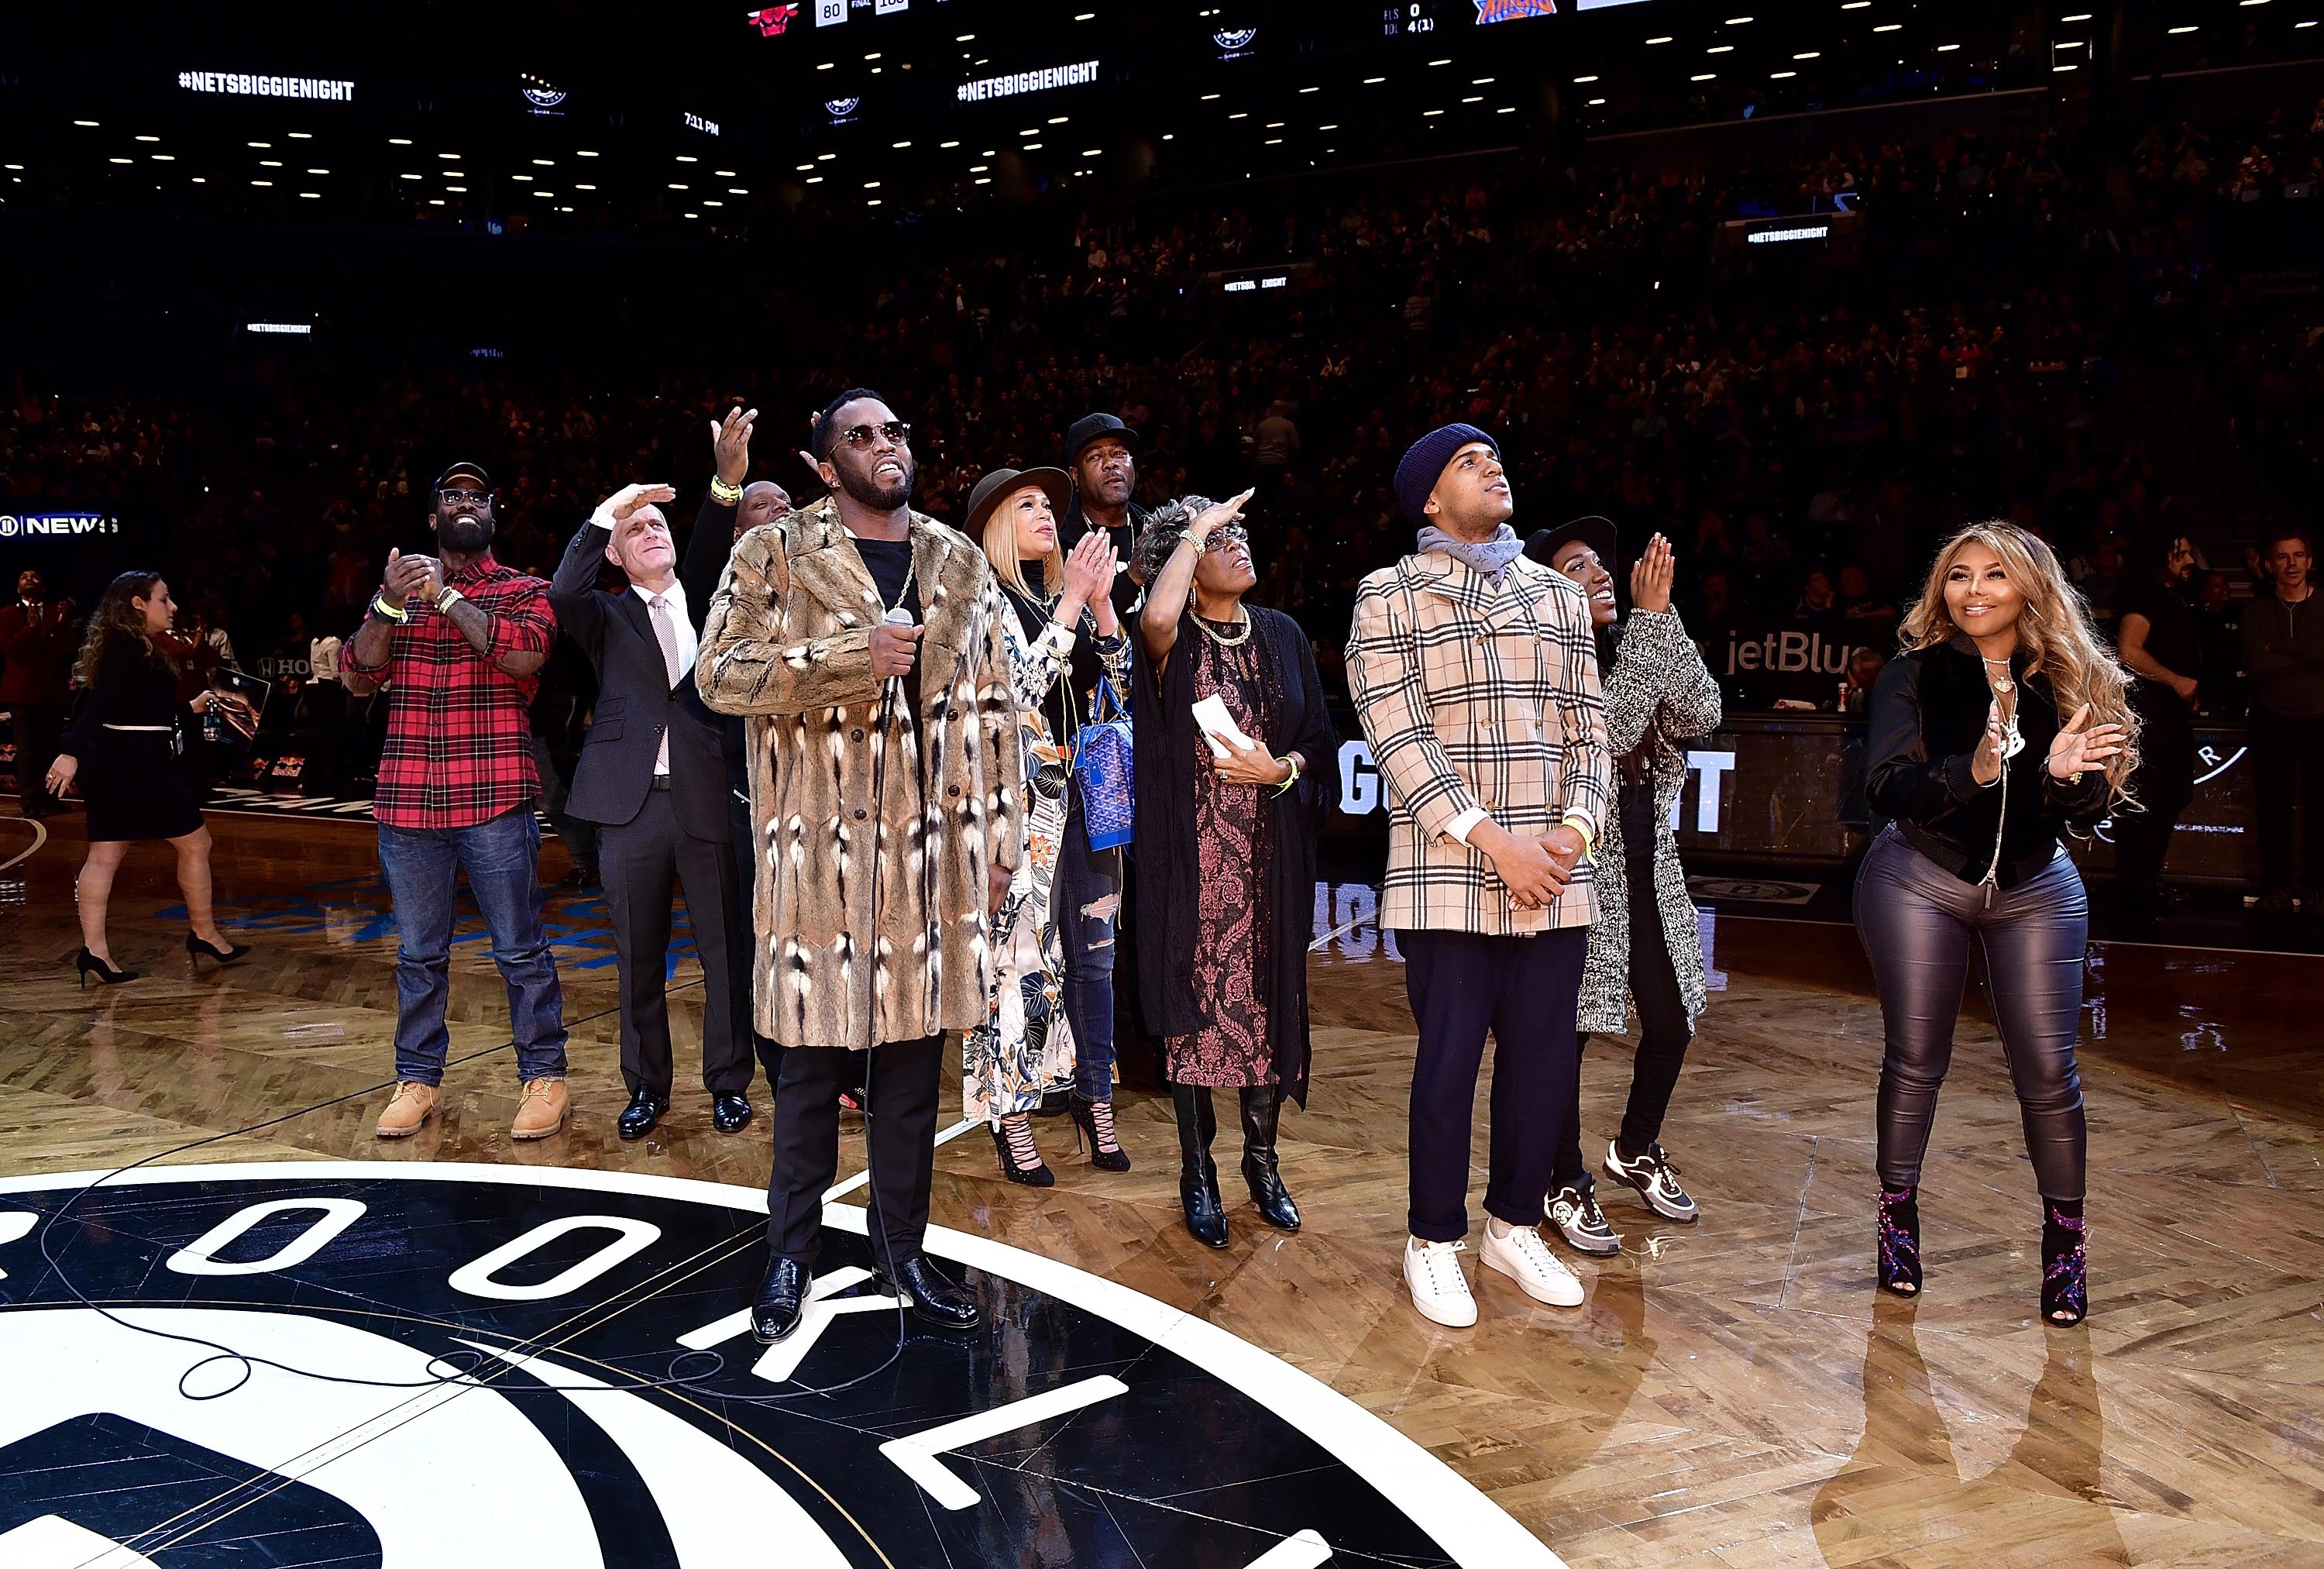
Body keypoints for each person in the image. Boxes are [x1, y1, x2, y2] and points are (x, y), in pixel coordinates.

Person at [699, 390, 1023, 1346]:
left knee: (912, 1079)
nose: (887, 446)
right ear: (822, 462)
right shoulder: (774, 551)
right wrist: (851, 657)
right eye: (862, 436)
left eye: (896, 432)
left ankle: (904, 1253)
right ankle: (789, 1255)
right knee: (804, 1077)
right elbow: (719, 674)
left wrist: (997, 846)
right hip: (815, 863)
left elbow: (994, 710)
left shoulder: (956, 559)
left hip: (930, 867)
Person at [1346, 423, 1612, 1327]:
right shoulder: (1388, 595)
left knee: (1543, 1067)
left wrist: (1571, 835)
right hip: (1449, 870)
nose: (1494, 466)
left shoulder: (1557, 597)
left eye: (1497, 455)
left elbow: (1591, 733)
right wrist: (1500, 843)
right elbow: (1399, 739)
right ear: (1428, 499)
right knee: (1448, 1065)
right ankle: (1433, 1240)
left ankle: (1513, 1225)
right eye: (1469, 462)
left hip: (1557, 873)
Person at [1857, 522, 2135, 1326]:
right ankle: (1897, 1220)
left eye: (1993, 577)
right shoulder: (1913, 675)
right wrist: (1976, 770)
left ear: (2028, 590)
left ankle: (2067, 1247)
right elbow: (1886, 787)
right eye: (1958, 576)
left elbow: (2089, 807)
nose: (1973, 591)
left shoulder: (2070, 678)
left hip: (2036, 886)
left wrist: (2066, 778)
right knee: (1916, 1060)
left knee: (2050, 1075)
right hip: (1920, 876)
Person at [341, 462, 570, 1142]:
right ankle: (417, 1079)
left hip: (494, 799)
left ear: (493, 513)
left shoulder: (523, 590)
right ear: (433, 517)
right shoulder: (397, 594)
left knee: (520, 948)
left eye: (477, 496)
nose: (464, 504)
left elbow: (522, 655)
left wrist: (443, 600)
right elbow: (357, 675)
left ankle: (546, 1074)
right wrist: (388, 603)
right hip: (408, 804)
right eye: (451, 496)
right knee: (418, 954)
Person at [1133, 487, 1338, 1249]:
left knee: (1265, 1012)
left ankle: (1262, 1161)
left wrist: (1278, 770)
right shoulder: (1167, 640)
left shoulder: (1282, 635)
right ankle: (1198, 1172)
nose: (1237, 544)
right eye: (1219, 540)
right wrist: (1196, 530)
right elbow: (1156, 615)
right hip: (1193, 872)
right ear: (1178, 566)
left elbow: (1317, 744)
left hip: (1267, 867)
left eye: (1239, 533)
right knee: (1194, 1023)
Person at [549, 416, 758, 1143]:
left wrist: (724, 481)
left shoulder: (708, 596)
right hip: (630, 807)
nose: (653, 533)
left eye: (658, 524)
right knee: (639, 954)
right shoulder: (602, 614)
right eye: (636, 530)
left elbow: (708, 537)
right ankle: (647, 1087)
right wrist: (611, 507)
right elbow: (562, 587)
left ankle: (729, 1083)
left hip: (707, 796)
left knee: (725, 949)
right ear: (616, 551)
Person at [1522, 520, 1723, 1257]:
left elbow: (1702, 714)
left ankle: (1636, 1145)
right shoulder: (1547, 661)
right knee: (1566, 1037)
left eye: (1602, 563)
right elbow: (1608, 737)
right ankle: (1561, 1177)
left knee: (1671, 1022)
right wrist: (1648, 629)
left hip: (1649, 866)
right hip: (1574, 875)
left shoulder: (1634, 646)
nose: (1602, 573)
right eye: (1578, 566)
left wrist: (1663, 621)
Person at [966, 464, 1132, 1181]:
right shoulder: (984, 603)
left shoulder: (1053, 597)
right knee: (1017, 961)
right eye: (1027, 503)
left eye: (1049, 505)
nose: (1047, 514)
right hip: (1021, 810)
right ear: (996, 525)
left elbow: (1122, 693)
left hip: (1090, 803)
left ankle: (1095, 1098)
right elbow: (1015, 699)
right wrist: (1069, 608)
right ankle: (1010, 1113)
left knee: (1094, 958)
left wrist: (1100, 610)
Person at [44, 573, 253, 984]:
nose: (172, 606)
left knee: (108, 856)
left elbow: (136, 712)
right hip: (137, 766)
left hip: (122, 762)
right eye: (164, 598)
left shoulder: (133, 647)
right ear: (138, 604)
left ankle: (97, 953)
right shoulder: (127, 649)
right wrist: (69, 751)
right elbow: (98, 707)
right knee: (194, 844)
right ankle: (203, 933)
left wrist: (188, 708)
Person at [2111, 528, 2200, 925]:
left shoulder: (2168, 599)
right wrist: (2177, 681)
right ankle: (2134, 892)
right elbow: (2129, 651)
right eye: (2180, 553)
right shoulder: (2144, 596)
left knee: (2165, 800)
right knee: (2146, 804)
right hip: (2150, 723)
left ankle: (2143, 885)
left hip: (2167, 719)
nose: (2189, 561)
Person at [2241, 527, 2324, 914]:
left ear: (2310, 560)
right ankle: (2277, 887)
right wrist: (2308, 656)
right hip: (2271, 720)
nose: (2292, 564)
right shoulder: (2256, 611)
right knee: (2272, 808)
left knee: (2320, 807)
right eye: (2283, 557)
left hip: (2320, 720)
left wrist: (2284, 647)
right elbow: (2259, 665)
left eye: (2298, 556)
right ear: (2269, 565)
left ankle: (2316, 888)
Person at [2, 569, 76, 818]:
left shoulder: (58, 612)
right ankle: (30, 802)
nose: (30, 579)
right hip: (22, 692)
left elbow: (66, 649)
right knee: (27, 749)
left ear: (43, 586)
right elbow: (11, 650)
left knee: (52, 747)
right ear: (18, 588)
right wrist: (31, 628)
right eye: (24, 576)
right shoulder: (7, 615)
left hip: (52, 691)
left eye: (35, 576)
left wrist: (63, 624)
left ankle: (52, 798)